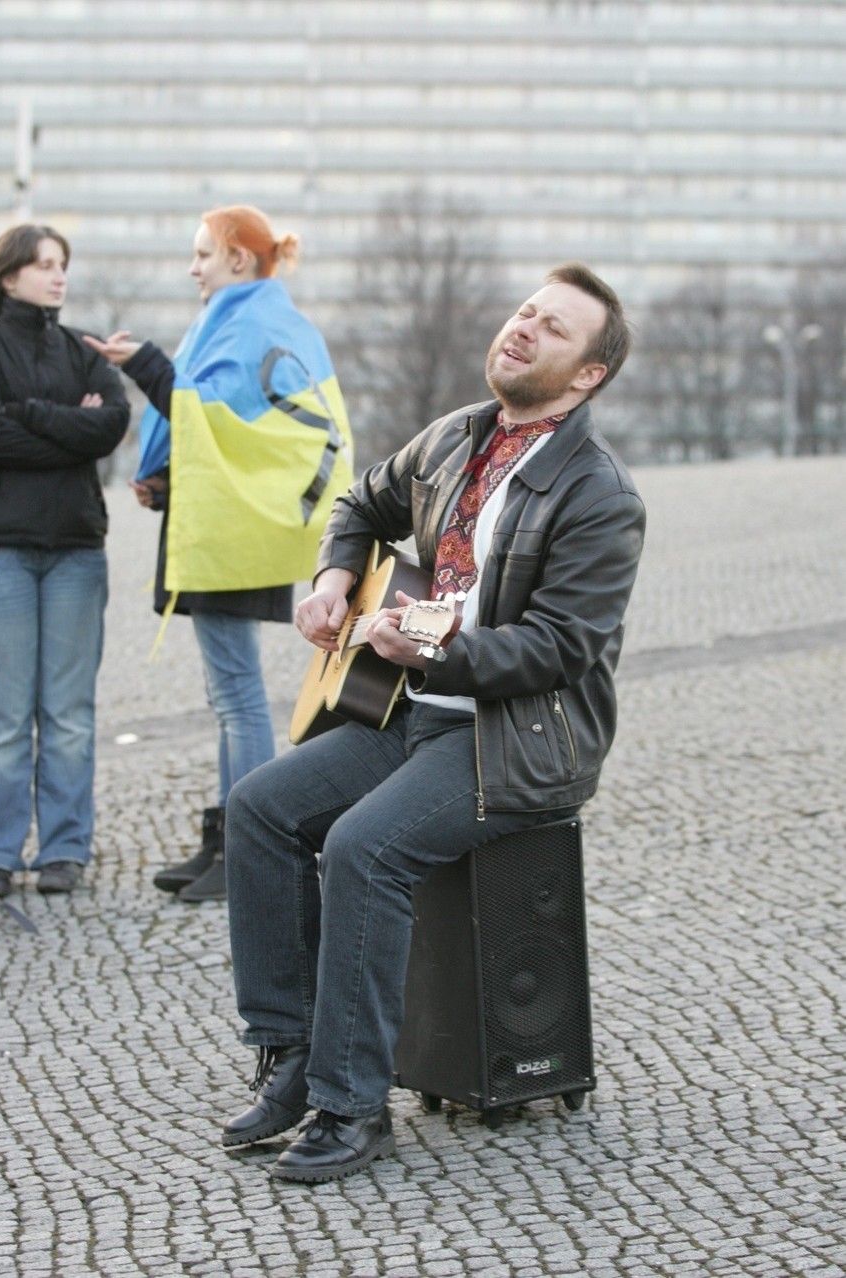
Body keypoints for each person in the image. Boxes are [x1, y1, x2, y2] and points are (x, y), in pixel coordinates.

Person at [219, 261, 647, 1183]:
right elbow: (360, 502)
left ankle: (350, 1105)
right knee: (259, 808)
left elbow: (559, 647)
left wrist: (434, 655)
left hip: (516, 742)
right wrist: (334, 577)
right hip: (402, 710)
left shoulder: (599, 494)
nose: (523, 329)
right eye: (525, 311)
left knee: (365, 848)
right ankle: (290, 1053)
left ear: (586, 376)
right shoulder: (457, 437)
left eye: (553, 329)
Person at [85, 206, 352, 903]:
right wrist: (172, 482)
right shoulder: (242, 318)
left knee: (237, 698)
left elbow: (213, 417)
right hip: (224, 521)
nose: (192, 266)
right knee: (227, 695)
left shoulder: (253, 323)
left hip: (238, 531)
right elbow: (228, 433)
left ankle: (251, 848)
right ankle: (228, 836)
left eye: (203, 254)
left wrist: (145, 363)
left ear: (238, 258)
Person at [0, 224, 130, 899]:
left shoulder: (80, 349)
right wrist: (67, 430)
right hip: (4, 551)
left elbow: (111, 424)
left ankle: (64, 849)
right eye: (44, 265)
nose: (57, 276)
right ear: (9, 274)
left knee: (70, 712)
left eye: (62, 265)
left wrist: (28, 415)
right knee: (7, 715)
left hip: (77, 550)